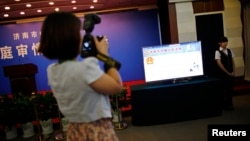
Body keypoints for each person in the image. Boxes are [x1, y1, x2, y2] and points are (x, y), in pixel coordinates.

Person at [38, 11, 123, 141]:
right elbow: (116, 86)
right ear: (71, 37)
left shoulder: (52, 71)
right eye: (78, 33)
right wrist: (105, 56)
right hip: (96, 131)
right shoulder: (85, 68)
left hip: (74, 131)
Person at [215, 36, 235, 111]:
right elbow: (219, 63)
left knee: (230, 90)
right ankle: (222, 105)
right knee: (222, 90)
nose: (225, 43)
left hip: (231, 73)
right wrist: (227, 72)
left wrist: (233, 72)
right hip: (222, 74)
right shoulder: (217, 51)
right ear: (219, 43)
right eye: (223, 42)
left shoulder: (230, 51)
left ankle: (229, 104)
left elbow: (233, 62)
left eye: (226, 41)